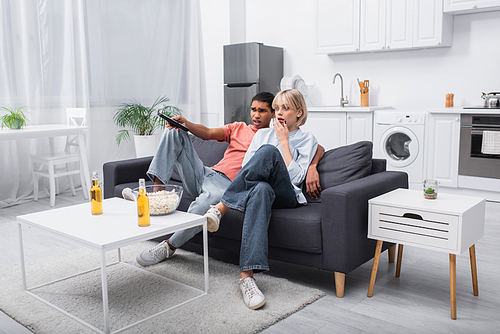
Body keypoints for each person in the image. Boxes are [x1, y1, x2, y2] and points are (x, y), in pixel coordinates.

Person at [133, 92, 324, 267]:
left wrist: (312, 163)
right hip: (205, 174)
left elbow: (312, 153)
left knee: (207, 203)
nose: (258, 115)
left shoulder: (284, 138)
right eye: (255, 110)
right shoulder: (245, 129)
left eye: (264, 111)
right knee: (174, 130)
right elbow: (212, 137)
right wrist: (186, 124)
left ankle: (168, 246)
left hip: (227, 186)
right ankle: (157, 191)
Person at [203, 89, 318, 310]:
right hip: (262, 191)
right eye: (276, 108)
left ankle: (220, 207)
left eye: (285, 108)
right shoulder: (262, 134)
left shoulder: (306, 139)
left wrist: (283, 142)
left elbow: (296, 177)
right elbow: (247, 171)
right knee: (261, 189)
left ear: (299, 112)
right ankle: (247, 278)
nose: (278, 113)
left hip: (288, 195)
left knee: (268, 152)